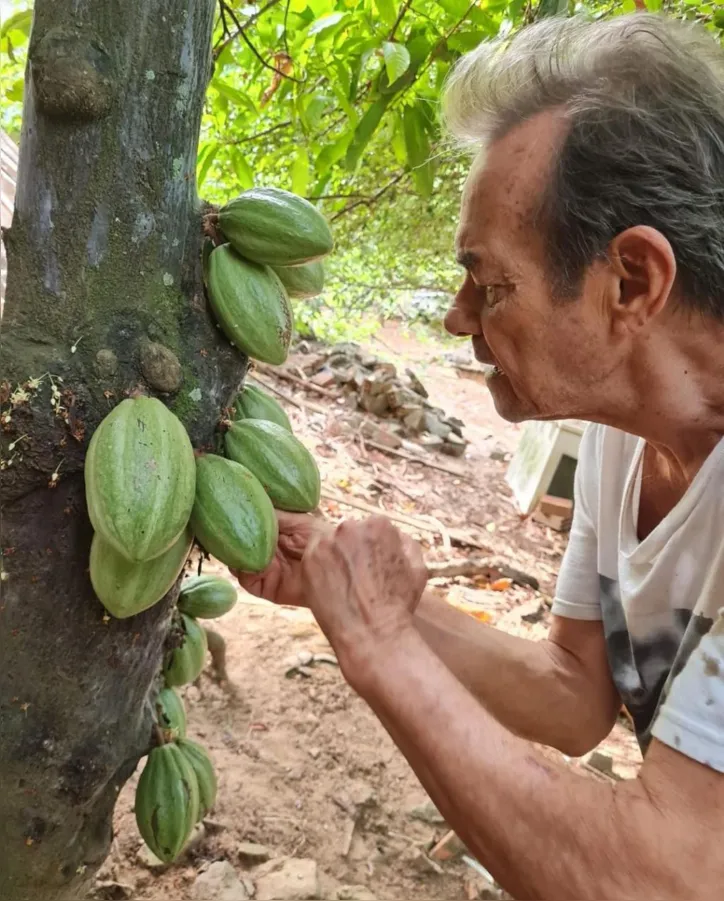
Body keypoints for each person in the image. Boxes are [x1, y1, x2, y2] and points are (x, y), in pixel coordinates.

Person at [237, 13, 724, 898]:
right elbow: (575, 693)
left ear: (632, 283)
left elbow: (670, 878)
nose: (458, 318)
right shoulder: (622, 438)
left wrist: (385, 646)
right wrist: (329, 580)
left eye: (491, 282)